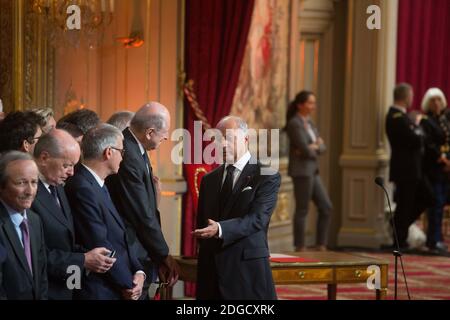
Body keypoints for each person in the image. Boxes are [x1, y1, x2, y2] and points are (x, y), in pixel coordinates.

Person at [193, 116, 281, 300]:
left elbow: (258, 219)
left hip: (246, 274)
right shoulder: (209, 180)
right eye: (218, 139)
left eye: (229, 138)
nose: (223, 144)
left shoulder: (266, 176)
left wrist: (220, 229)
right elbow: (202, 223)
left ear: (246, 139)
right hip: (211, 276)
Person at [32, 129, 116, 299]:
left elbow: (66, 240)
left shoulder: (58, 187)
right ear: (44, 158)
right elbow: (33, 255)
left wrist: (92, 255)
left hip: (67, 288)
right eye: (67, 165)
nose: (71, 172)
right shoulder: (29, 194)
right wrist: (82, 260)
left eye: (73, 165)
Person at [65, 124, 145, 300]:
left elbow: (121, 237)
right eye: (122, 152)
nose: (123, 158)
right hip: (100, 289)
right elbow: (99, 243)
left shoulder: (98, 184)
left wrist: (139, 271)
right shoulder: (82, 187)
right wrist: (128, 285)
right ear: (109, 152)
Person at [106, 102, 179, 290]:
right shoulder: (128, 153)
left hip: (138, 248)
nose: (166, 137)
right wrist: (163, 255)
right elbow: (141, 213)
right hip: (128, 250)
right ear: (149, 132)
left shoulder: (136, 148)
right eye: (165, 133)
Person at [285, 91, 332, 252]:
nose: (313, 106)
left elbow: (322, 147)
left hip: (313, 170)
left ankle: (321, 245)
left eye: (314, 103)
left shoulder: (310, 122)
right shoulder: (294, 123)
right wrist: (313, 146)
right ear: (300, 105)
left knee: (326, 206)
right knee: (302, 209)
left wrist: (315, 146)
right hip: (302, 172)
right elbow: (306, 150)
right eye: (310, 103)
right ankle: (300, 246)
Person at [386, 83, 431, 249]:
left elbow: (419, 136)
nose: (412, 98)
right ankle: (400, 238)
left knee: (425, 198)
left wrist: (417, 130)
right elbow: (415, 139)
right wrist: (417, 130)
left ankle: (399, 225)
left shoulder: (404, 117)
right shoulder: (395, 116)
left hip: (413, 169)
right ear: (406, 97)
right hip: (405, 169)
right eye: (411, 95)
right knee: (405, 204)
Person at [0, 151, 48, 299]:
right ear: (2, 186)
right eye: (21, 183)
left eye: (34, 182)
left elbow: (42, 276)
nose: (30, 191)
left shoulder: (35, 220)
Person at [420, 88, 450, 253]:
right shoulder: (426, 121)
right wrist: (443, 159)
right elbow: (429, 145)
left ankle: (438, 238)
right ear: (427, 103)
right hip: (434, 169)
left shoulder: (444, 120)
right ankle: (434, 240)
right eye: (433, 101)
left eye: (439, 99)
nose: (437, 103)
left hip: (446, 170)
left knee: (442, 204)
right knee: (436, 204)